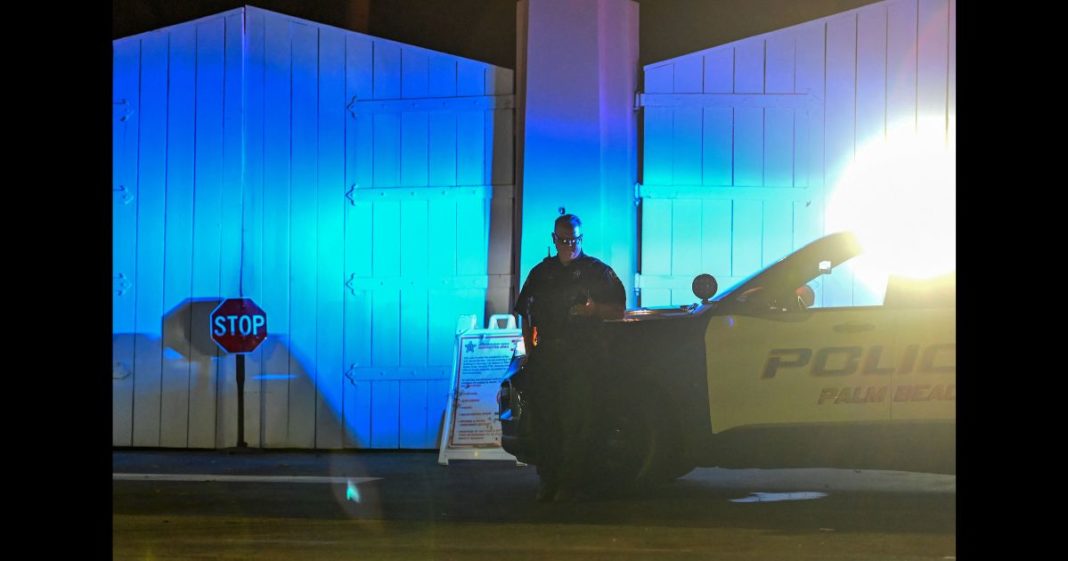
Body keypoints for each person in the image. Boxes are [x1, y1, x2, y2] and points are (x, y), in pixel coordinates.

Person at [513, 213, 626, 502]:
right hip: (548, 355)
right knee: (546, 424)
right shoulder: (542, 273)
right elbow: (526, 314)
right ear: (554, 239)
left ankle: (571, 483)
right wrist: (530, 350)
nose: (569, 246)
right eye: (563, 241)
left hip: (583, 357)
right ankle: (548, 481)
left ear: (581, 239)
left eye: (574, 240)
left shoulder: (596, 272)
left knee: (578, 422)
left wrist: (594, 309)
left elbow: (618, 309)